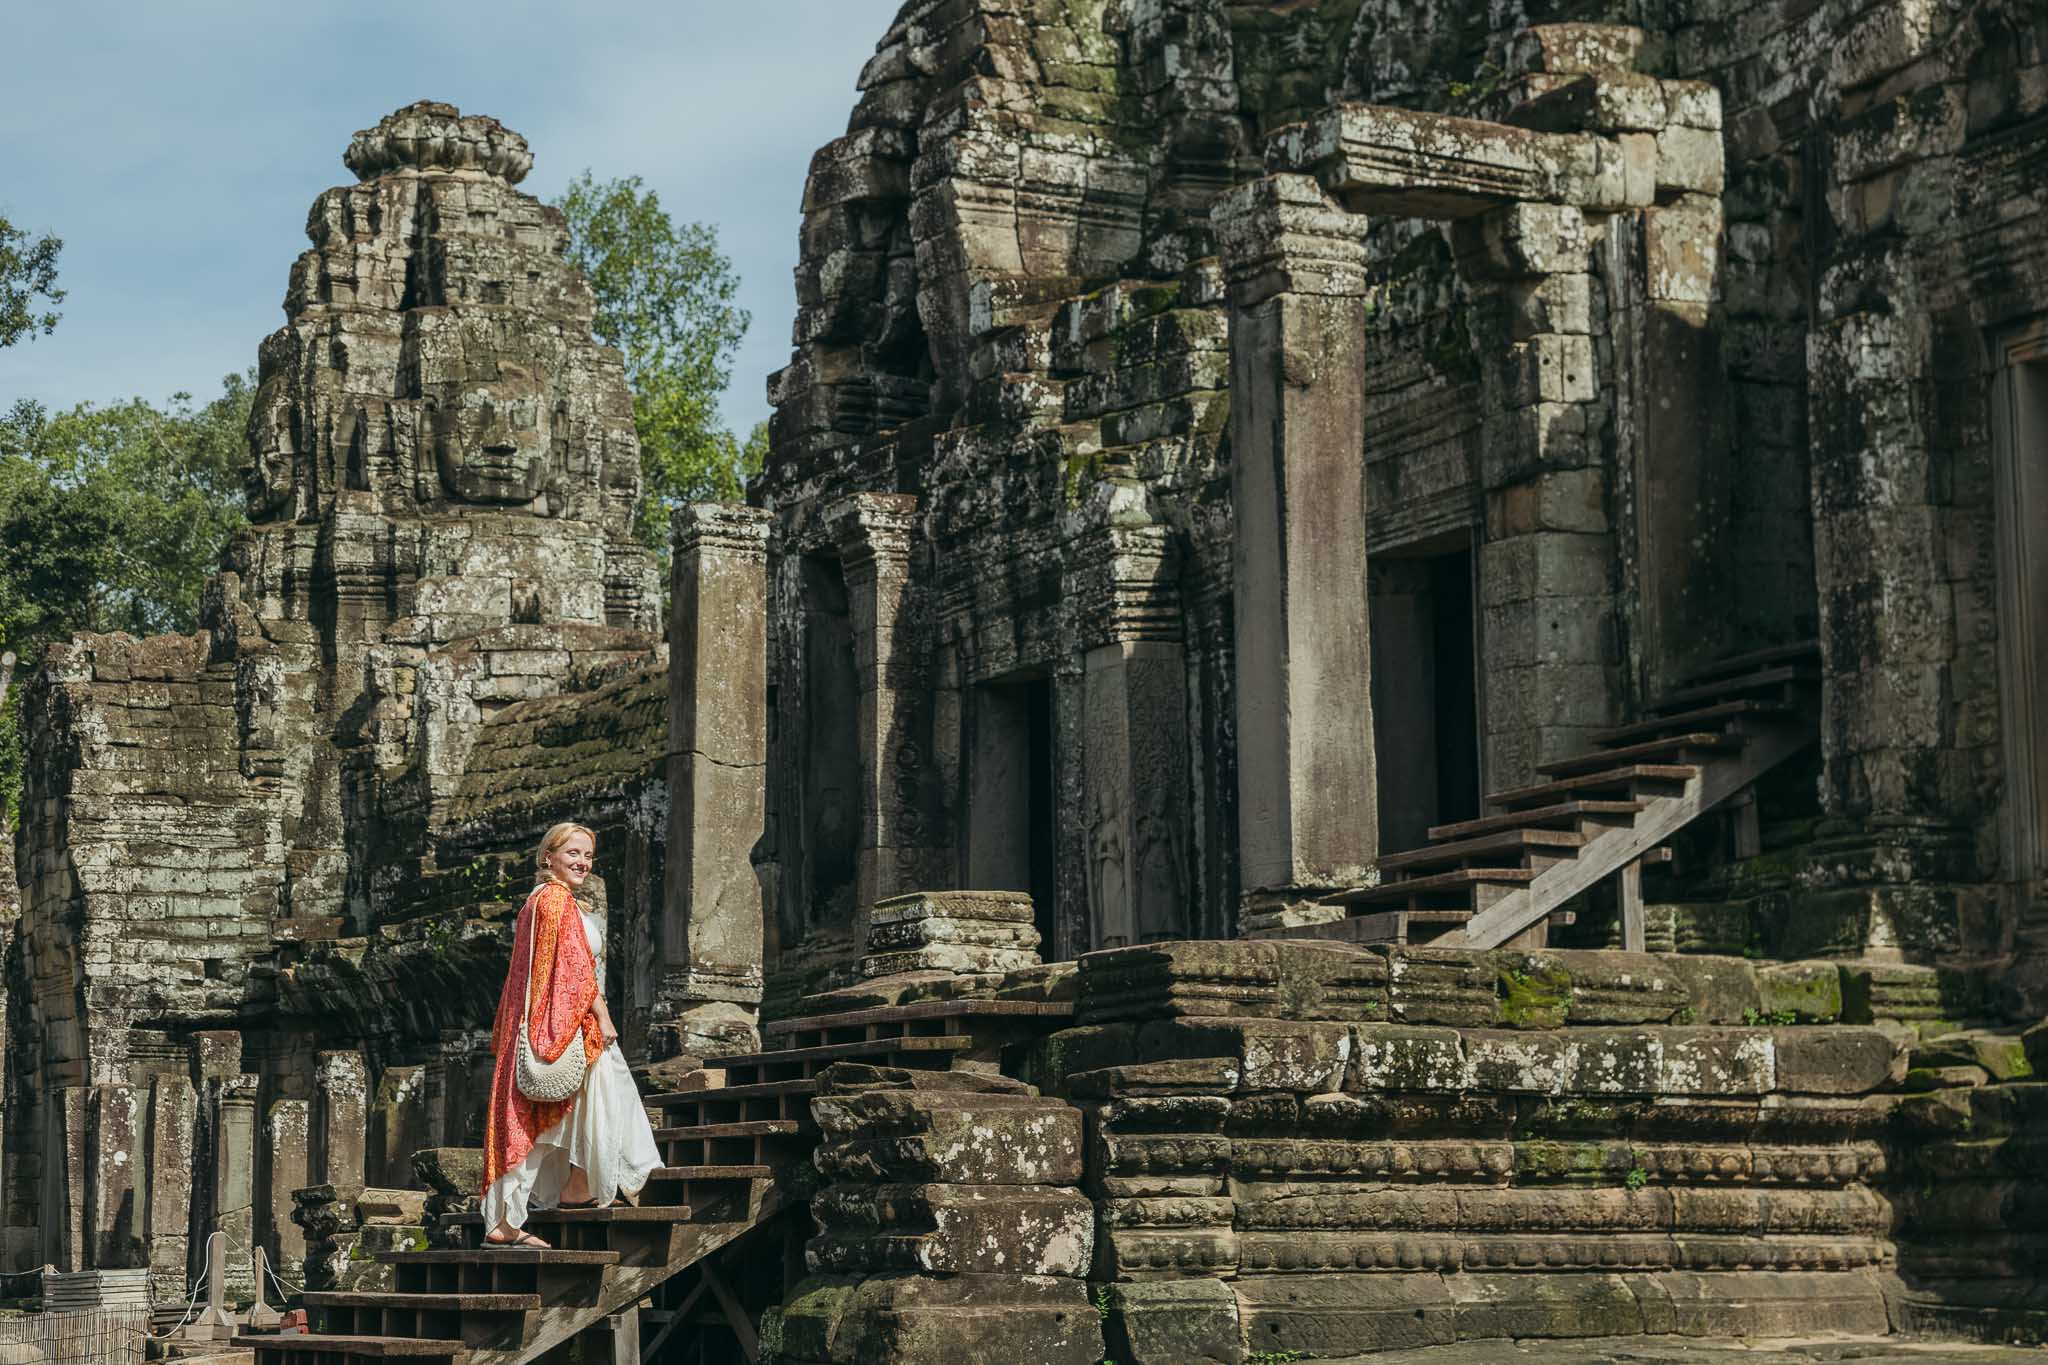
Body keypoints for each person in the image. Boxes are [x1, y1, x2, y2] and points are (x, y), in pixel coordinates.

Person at [480, 822, 662, 1248]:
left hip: (560, 1022)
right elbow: (578, 972)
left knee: (575, 1111)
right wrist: (603, 1017)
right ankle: (508, 1220)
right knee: (554, 1116)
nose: (582, 862)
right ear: (548, 857)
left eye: (588, 856)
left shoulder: (540, 901)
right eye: (573, 853)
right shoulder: (556, 900)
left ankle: (576, 1189)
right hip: (567, 1024)